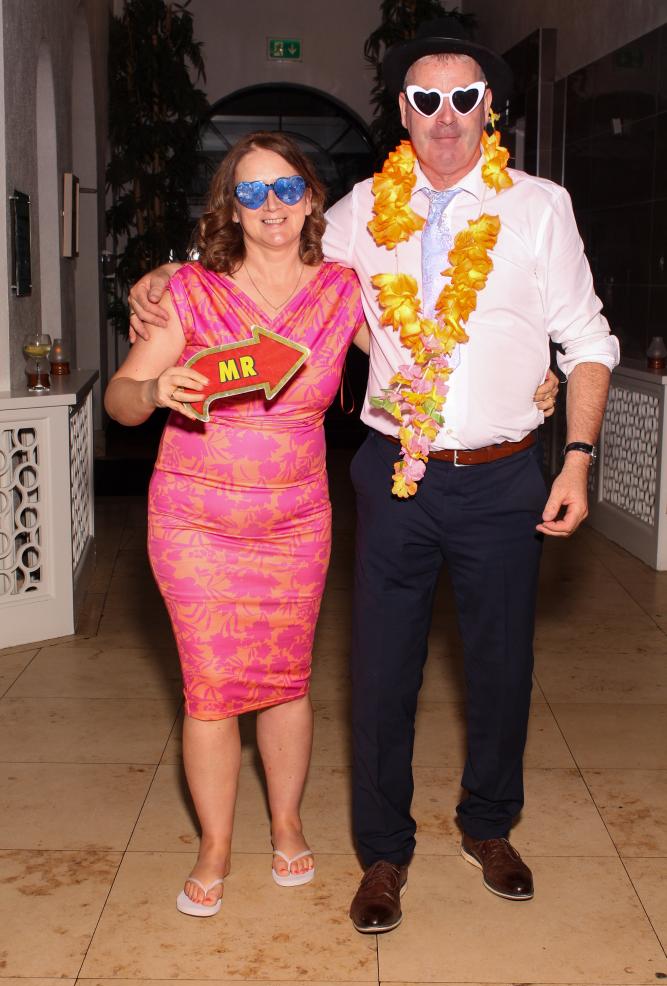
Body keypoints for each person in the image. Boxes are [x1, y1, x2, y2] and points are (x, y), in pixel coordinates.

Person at [126, 24, 586, 935]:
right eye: (426, 98)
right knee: (376, 671)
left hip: (470, 477)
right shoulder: (357, 214)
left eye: (463, 97)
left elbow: (550, 332)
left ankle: (482, 827)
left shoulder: (530, 208)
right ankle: (378, 852)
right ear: (402, 112)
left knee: (495, 667)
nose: (445, 115)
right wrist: (161, 276)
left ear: (488, 109)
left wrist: (547, 387)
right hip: (350, 484)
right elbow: (248, 260)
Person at [105, 131, 370, 916]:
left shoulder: (345, 291)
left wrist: (526, 377)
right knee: (211, 687)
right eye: (251, 192)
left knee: (287, 680)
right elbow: (120, 399)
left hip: (296, 520)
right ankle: (215, 844)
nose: (271, 206)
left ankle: (286, 823)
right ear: (231, 208)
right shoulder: (189, 292)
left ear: (312, 199)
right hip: (195, 520)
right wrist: (154, 393)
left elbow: (419, 360)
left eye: (286, 188)